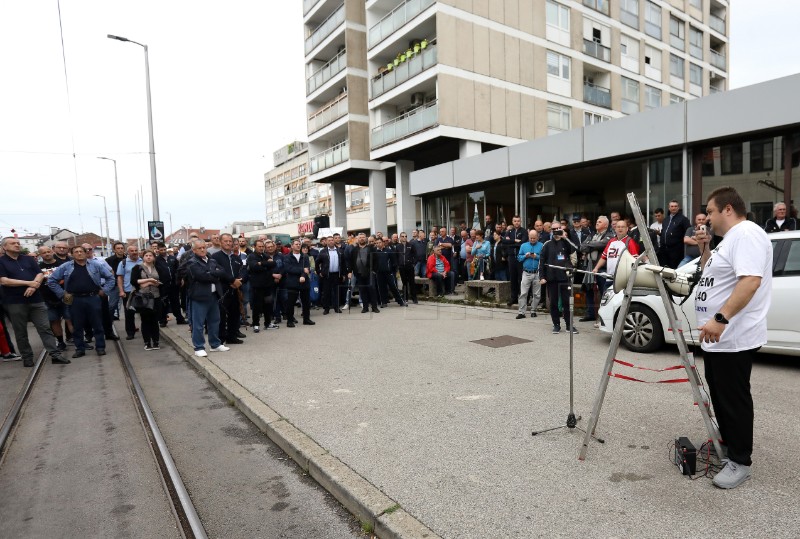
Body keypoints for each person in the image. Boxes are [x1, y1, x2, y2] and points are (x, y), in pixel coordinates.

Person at [694, 186, 772, 490]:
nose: (707, 218)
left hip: (733, 335)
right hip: (718, 339)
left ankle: (741, 460)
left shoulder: (747, 234)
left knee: (734, 398)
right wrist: (705, 250)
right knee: (721, 394)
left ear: (728, 209)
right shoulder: (728, 241)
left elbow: (750, 281)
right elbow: (711, 276)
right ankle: (727, 444)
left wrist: (720, 318)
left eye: (711, 211)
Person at [0, 237, 70, 367]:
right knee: (20, 331)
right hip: (15, 301)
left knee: (45, 327)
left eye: (18, 243)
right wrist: (28, 283)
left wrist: (34, 285)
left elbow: (40, 274)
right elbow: (4, 280)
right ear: (4, 247)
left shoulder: (27, 259)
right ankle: (27, 357)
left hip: (36, 300)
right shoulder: (1, 262)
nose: (17, 245)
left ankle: (55, 354)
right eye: (13, 243)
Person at [47, 245, 115, 357]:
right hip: (74, 298)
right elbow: (52, 281)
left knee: (97, 324)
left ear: (85, 253)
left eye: (81, 251)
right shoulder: (66, 267)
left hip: (93, 297)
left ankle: (100, 347)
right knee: (77, 325)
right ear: (72, 254)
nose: (79, 253)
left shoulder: (96, 265)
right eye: (76, 252)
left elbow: (111, 278)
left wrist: (105, 290)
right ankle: (80, 348)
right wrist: (62, 294)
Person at [183, 239, 230, 357]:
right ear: (194, 250)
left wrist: (211, 273)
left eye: (204, 247)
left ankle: (215, 344)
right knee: (198, 324)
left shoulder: (212, 260)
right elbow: (201, 276)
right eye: (199, 248)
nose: (203, 250)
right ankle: (198, 347)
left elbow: (223, 271)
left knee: (215, 321)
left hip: (213, 296)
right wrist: (214, 274)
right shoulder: (192, 262)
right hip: (199, 297)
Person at [539, 222, 577, 334]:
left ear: (562, 229)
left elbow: (576, 249)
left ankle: (569, 325)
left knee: (567, 302)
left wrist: (565, 238)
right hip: (551, 278)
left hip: (565, 278)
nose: (556, 231)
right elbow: (542, 262)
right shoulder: (546, 244)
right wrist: (542, 276)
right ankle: (556, 324)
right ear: (551, 230)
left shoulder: (566, 242)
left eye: (558, 228)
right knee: (553, 303)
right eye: (554, 229)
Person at [210, 233, 245, 344]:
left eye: (230, 241)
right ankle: (220, 339)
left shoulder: (236, 258)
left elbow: (243, 271)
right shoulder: (215, 257)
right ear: (220, 242)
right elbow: (218, 272)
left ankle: (232, 336)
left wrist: (240, 281)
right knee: (221, 316)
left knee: (235, 314)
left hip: (235, 290)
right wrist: (231, 281)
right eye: (226, 241)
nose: (228, 243)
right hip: (222, 291)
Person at [130, 249, 166, 351]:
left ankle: (156, 341)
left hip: (156, 297)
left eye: (150, 255)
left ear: (154, 257)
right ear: (143, 257)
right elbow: (134, 281)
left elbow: (162, 280)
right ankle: (147, 342)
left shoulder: (158, 268)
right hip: (143, 297)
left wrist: (147, 283)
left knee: (155, 320)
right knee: (145, 320)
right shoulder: (137, 268)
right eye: (146, 255)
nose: (149, 257)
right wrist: (150, 281)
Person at [247, 239, 279, 332]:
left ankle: (268, 323)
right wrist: (266, 265)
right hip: (257, 286)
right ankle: (256, 324)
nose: (261, 248)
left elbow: (273, 263)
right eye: (259, 246)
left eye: (262, 246)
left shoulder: (265, 255)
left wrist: (262, 263)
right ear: (254, 247)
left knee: (268, 305)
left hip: (267, 285)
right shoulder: (251, 256)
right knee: (257, 306)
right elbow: (254, 267)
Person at [283, 239, 315, 327]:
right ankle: (290, 321)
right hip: (292, 282)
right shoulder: (287, 257)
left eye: (299, 244)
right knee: (291, 303)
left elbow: (307, 268)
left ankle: (306, 319)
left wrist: (303, 276)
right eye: (296, 244)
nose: (298, 245)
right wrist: (301, 270)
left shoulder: (305, 256)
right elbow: (288, 269)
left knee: (306, 302)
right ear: (292, 246)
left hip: (304, 281)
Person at [348, 233, 379, 313]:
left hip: (370, 273)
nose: (361, 239)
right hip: (358, 273)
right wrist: (349, 271)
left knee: (372, 289)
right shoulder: (354, 249)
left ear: (366, 238)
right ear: (358, 239)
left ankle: (374, 307)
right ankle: (365, 307)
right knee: (362, 290)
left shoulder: (371, 248)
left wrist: (374, 271)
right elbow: (351, 261)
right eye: (360, 237)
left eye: (363, 237)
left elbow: (376, 260)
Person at [117, 245, 143, 340]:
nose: (134, 252)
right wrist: (121, 290)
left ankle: (145, 331)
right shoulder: (123, 263)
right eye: (132, 250)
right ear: (128, 252)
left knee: (144, 311)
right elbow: (120, 278)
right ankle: (130, 332)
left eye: (136, 250)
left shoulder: (143, 261)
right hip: (128, 291)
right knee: (129, 313)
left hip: (142, 290)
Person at [516, 230, 542, 319]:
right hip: (526, 272)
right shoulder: (523, 245)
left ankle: (533, 310)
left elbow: (544, 258)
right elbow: (519, 258)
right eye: (531, 238)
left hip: (537, 272)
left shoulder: (541, 246)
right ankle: (521, 312)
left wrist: (537, 256)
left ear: (537, 237)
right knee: (523, 293)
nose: (532, 240)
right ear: (528, 236)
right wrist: (525, 256)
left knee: (537, 294)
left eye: (534, 238)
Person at [374, 237, 406, 308]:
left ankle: (401, 301)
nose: (378, 244)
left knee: (393, 287)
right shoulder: (375, 252)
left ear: (382, 243)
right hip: (379, 273)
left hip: (389, 273)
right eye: (376, 243)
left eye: (379, 242)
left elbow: (394, 261)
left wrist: (393, 270)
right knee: (382, 288)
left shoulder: (389, 251)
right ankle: (384, 302)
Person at [659, 199, 691, 269]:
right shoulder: (665, 220)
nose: (674, 208)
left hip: (676, 250)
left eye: (675, 206)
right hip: (664, 250)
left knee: (674, 269)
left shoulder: (683, 219)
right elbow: (664, 232)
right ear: (669, 208)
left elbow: (688, 232)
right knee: (663, 269)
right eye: (672, 206)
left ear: (678, 208)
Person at [316, 236, 344, 314]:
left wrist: (343, 274)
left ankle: (336, 307)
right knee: (326, 292)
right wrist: (319, 272)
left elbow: (343, 263)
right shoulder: (323, 251)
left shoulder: (339, 251)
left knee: (336, 292)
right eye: (329, 240)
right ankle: (326, 308)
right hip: (326, 275)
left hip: (336, 275)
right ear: (327, 242)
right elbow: (317, 262)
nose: (331, 241)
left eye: (332, 240)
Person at [502, 216, 526, 305]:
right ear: (512, 221)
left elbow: (522, 243)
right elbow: (504, 241)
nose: (517, 223)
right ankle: (513, 297)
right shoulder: (509, 231)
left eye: (518, 221)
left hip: (520, 257)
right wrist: (515, 240)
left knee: (521, 278)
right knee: (513, 278)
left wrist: (511, 242)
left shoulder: (523, 231)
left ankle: (523, 297)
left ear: (521, 221)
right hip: (511, 257)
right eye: (515, 221)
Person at [105, 241, 126, 320]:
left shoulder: (128, 259)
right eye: (118, 248)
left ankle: (131, 327)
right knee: (112, 305)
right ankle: (109, 324)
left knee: (129, 307)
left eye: (122, 248)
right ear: (114, 250)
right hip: (114, 285)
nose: (120, 250)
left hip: (126, 284)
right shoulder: (108, 260)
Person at [395, 232, 417, 304]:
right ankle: (405, 298)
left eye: (405, 236)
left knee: (412, 283)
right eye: (402, 236)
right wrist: (398, 264)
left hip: (410, 267)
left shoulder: (411, 245)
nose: (404, 237)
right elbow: (396, 256)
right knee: (404, 283)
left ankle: (414, 298)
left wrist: (413, 263)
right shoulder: (398, 246)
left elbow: (415, 255)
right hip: (402, 267)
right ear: (400, 237)